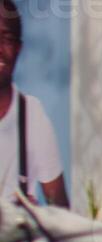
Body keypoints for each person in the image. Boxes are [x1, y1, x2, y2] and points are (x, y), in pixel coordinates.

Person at [0, 0, 66, 208]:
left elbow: (61, 213)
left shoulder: (31, 115)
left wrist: (39, 218)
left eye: (7, 39)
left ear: (18, 48)